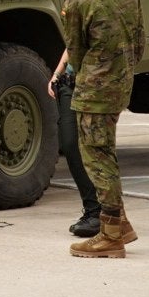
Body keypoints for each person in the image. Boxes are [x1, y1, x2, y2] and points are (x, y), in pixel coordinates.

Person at [60, 0, 145, 258]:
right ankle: (120, 222)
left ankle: (110, 235)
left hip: (94, 89)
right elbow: (140, 37)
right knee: (105, 152)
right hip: (122, 82)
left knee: (97, 159)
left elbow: (76, 53)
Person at [48, 46, 101, 237]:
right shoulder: (76, 15)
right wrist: (57, 73)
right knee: (69, 144)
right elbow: (72, 44)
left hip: (94, 86)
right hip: (70, 84)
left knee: (97, 149)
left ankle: (99, 214)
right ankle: (92, 210)